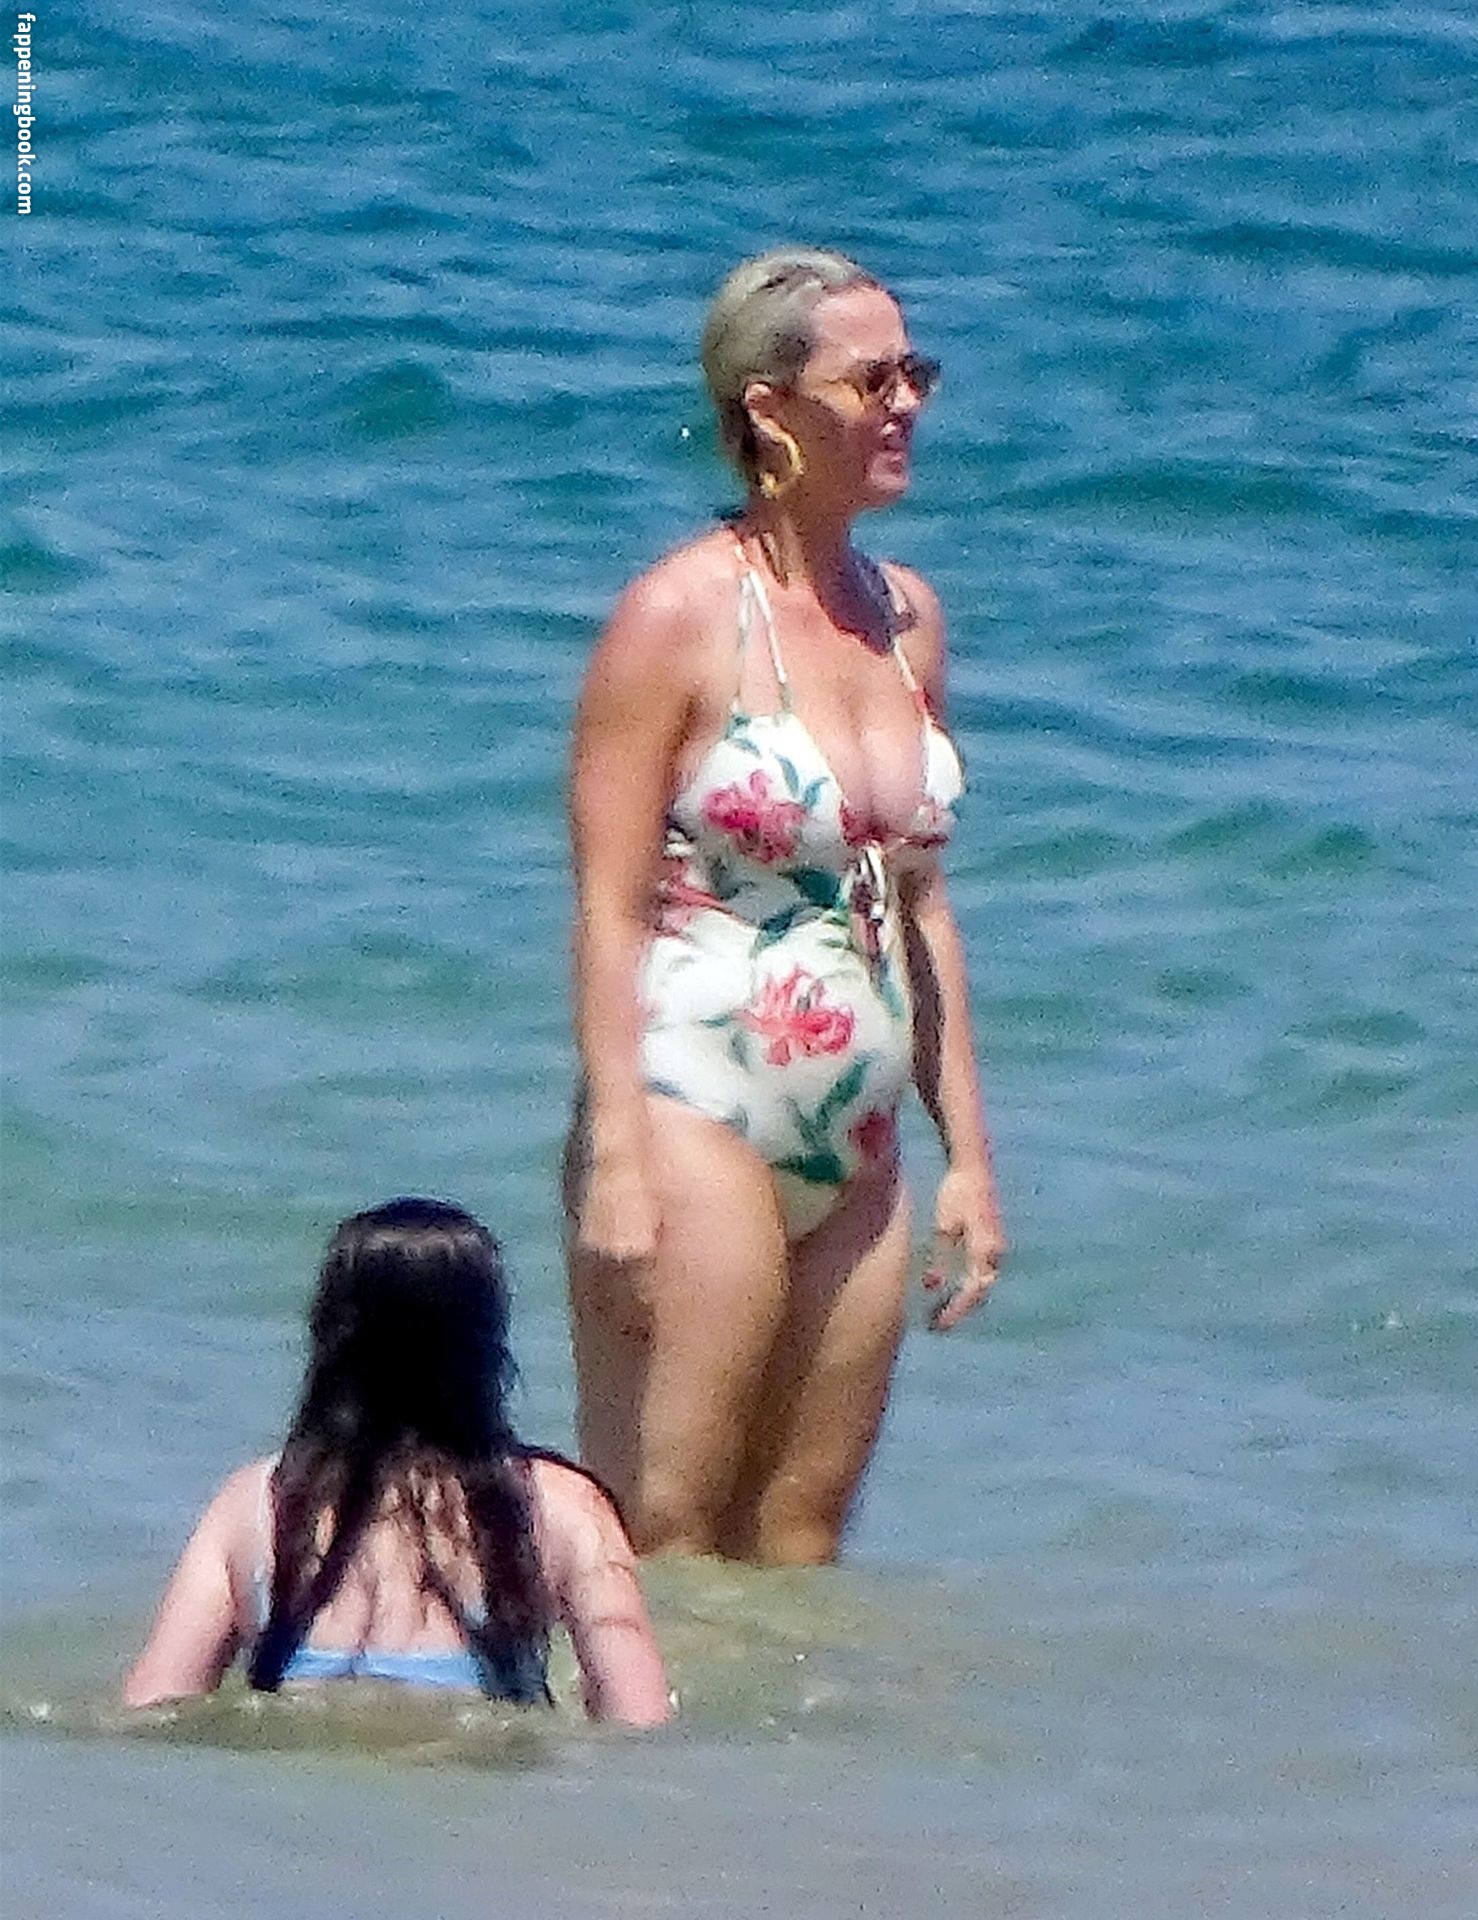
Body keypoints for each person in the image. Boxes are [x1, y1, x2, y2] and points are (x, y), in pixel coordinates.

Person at [564, 246, 1007, 1567]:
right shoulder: (676, 618)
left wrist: (967, 1156)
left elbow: (920, 904)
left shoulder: (904, 619)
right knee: (666, 1526)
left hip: (857, 1136)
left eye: (915, 374)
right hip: (691, 1102)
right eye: (872, 381)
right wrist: (617, 1161)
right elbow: (604, 909)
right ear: (768, 408)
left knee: (802, 1540)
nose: (905, 403)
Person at [123, 1199, 671, 1727]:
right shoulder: (562, 1506)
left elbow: (150, 1708)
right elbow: (639, 1720)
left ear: (331, 1341)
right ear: (487, 1345)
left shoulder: (255, 1504)